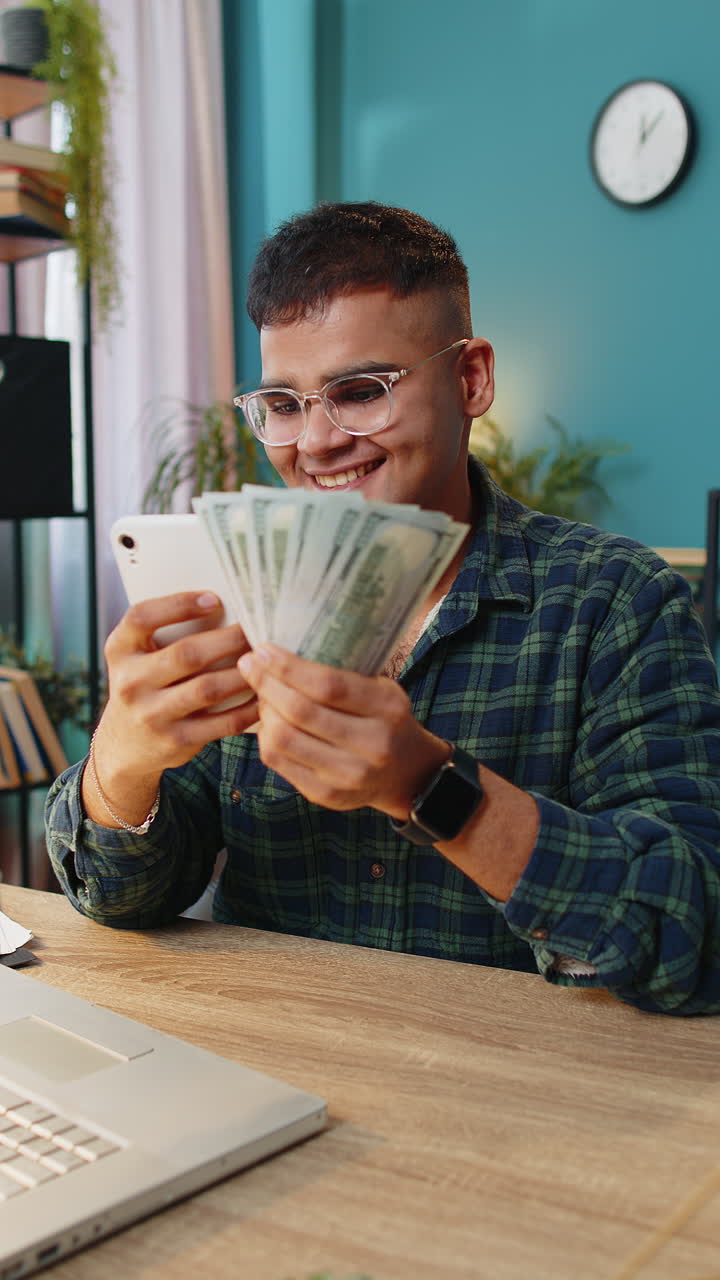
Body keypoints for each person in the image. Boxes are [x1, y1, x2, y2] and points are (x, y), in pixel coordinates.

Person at [46, 201, 720, 1015]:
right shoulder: (235, 590)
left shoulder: (617, 603)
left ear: (471, 379)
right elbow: (124, 900)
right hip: (268, 1066)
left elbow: (696, 932)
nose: (317, 442)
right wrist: (124, 755)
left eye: (361, 390)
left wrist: (429, 786)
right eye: (284, 406)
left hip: (516, 1097)